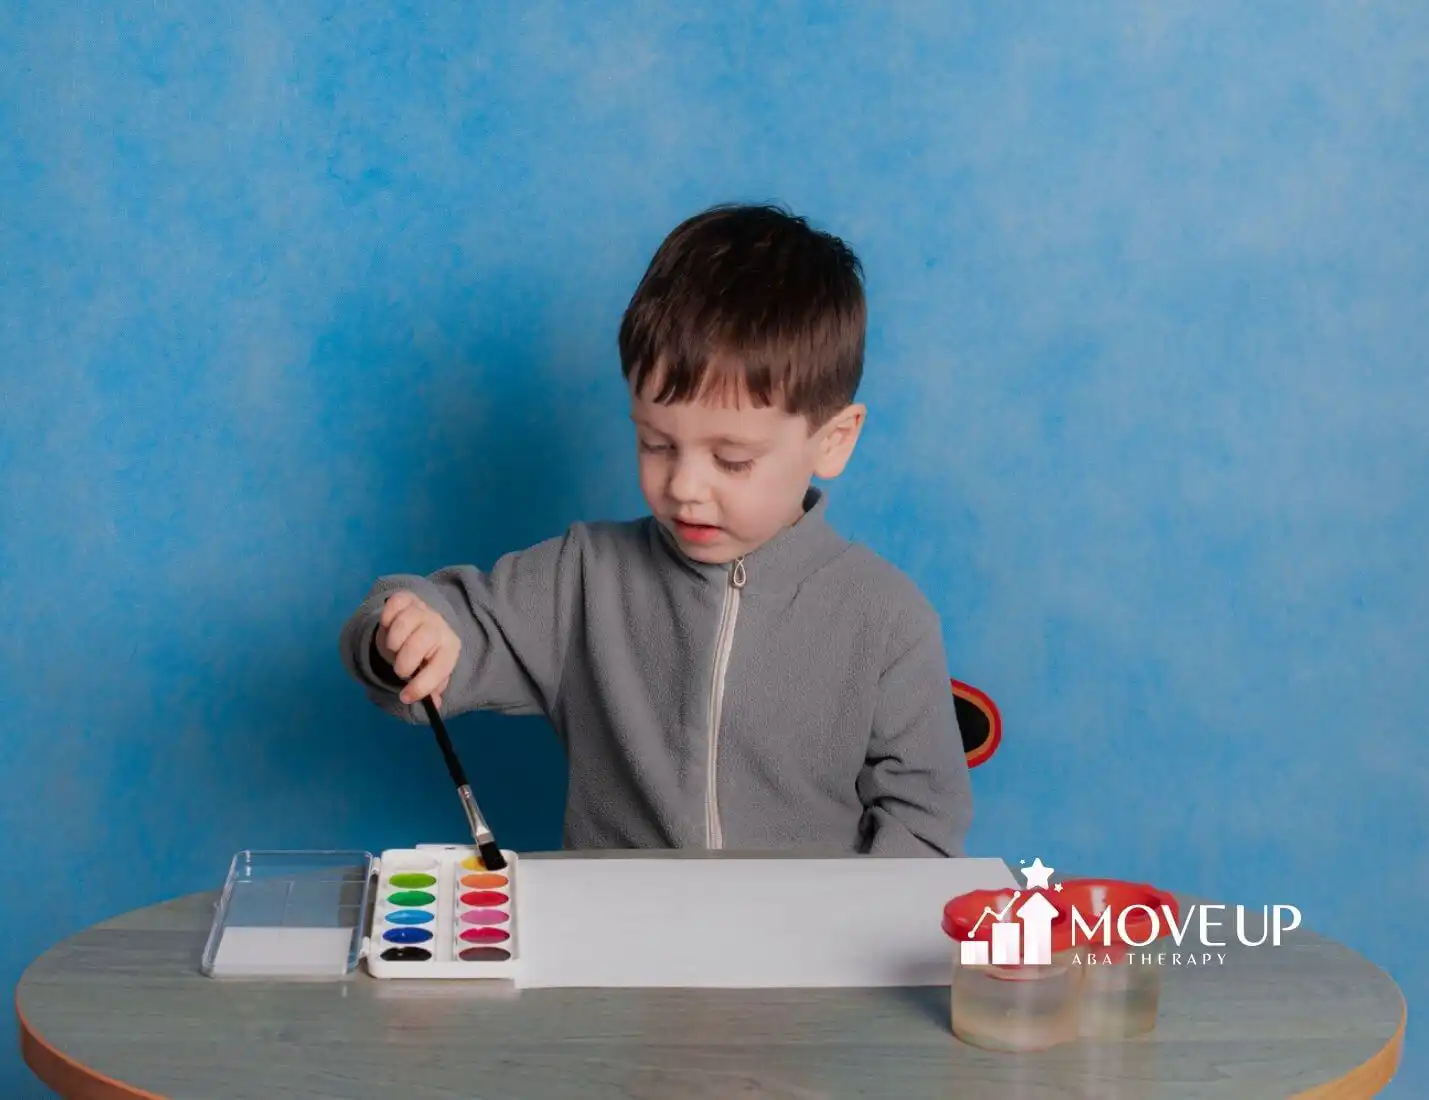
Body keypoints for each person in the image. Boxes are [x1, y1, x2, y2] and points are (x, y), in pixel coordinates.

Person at [339, 203, 973, 856]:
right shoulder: (581, 579)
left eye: (731, 459)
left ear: (833, 441)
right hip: (613, 948)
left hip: (801, 953)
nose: (684, 487)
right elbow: (443, 627)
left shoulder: (886, 619)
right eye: (656, 444)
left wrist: (849, 945)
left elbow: (922, 826)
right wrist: (410, 631)